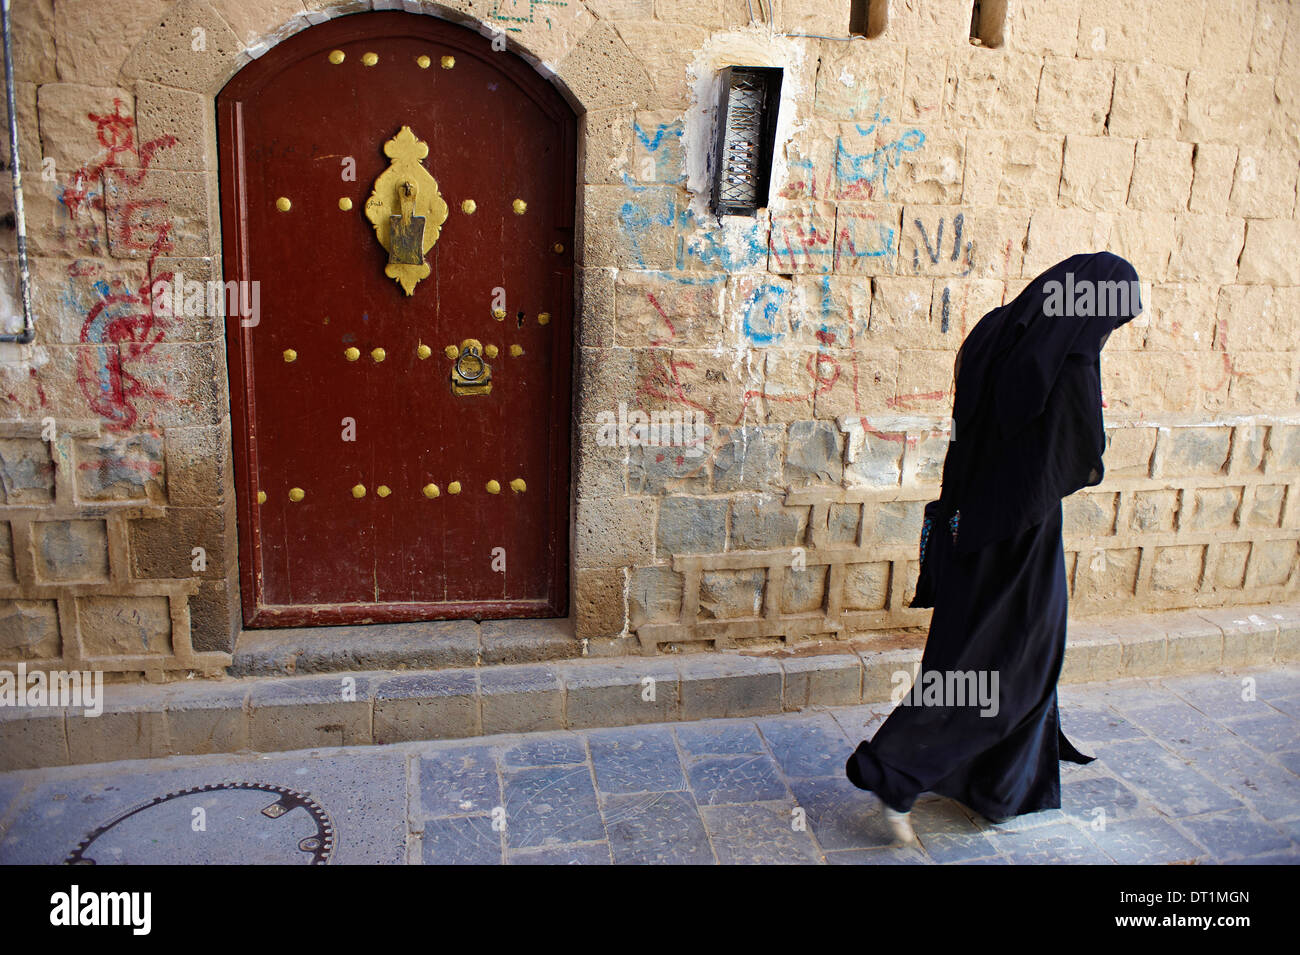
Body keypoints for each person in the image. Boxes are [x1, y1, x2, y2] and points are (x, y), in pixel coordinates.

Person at [845, 251, 1143, 843]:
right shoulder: (1071, 355)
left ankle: (997, 788)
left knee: (964, 653)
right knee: (1020, 664)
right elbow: (1081, 452)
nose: (1105, 334)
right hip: (1022, 534)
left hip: (964, 521)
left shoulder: (992, 328)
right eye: (1110, 320)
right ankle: (896, 768)